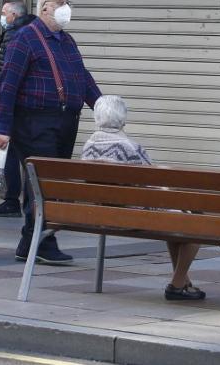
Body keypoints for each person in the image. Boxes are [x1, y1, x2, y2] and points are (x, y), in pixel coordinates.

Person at [0, 0, 101, 265]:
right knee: (44, 183)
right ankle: (45, 241)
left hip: (65, 120)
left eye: (69, 2)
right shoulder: (24, 40)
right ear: (44, 9)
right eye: (62, 3)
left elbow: (81, 76)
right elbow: (8, 84)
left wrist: (101, 105)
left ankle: (29, 243)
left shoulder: (67, 41)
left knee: (49, 182)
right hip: (34, 122)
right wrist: (3, 127)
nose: (67, 7)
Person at [82, 95, 204, 301]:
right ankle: (176, 285)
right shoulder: (131, 148)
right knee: (197, 225)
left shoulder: (88, 147)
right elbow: (154, 185)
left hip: (102, 216)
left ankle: (182, 281)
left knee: (176, 224)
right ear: (123, 119)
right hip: (133, 217)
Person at [0, 0, 33, 218]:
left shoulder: (16, 34)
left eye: (5, 13)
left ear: (14, 15)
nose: (2, 17)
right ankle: (20, 198)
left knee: (12, 153)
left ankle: (12, 199)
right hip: (20, 103)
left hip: (13, 103)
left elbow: (9, 73)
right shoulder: (28, 31)